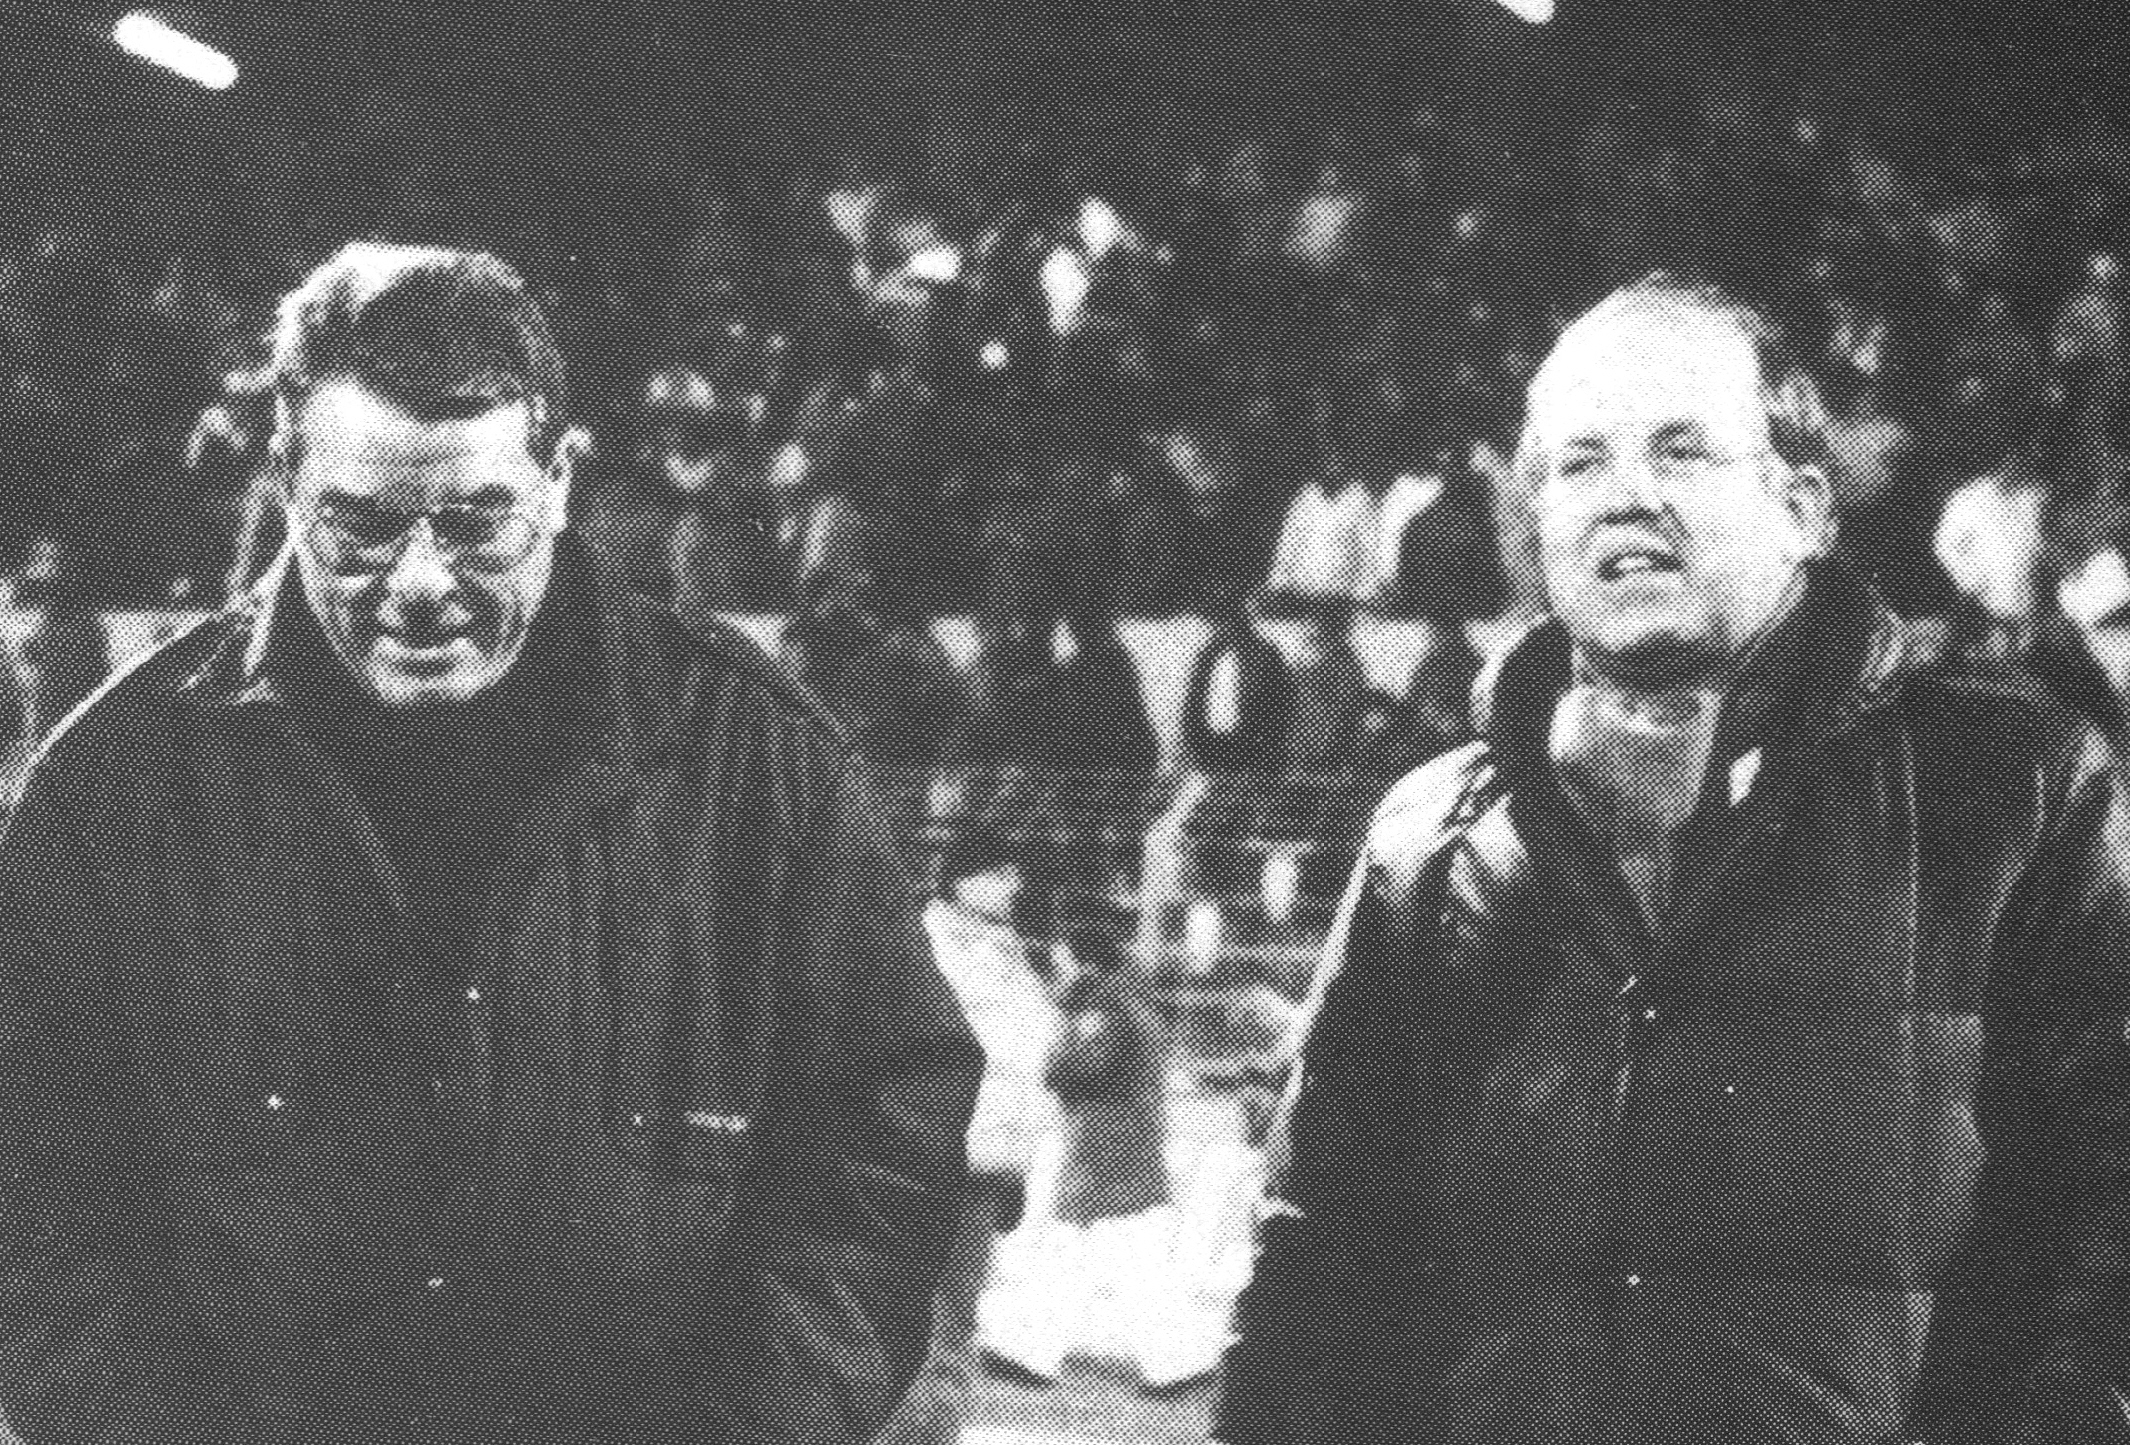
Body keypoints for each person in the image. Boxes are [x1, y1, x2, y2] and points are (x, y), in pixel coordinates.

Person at [0, 242, 980, 1445]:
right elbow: (29, 1193)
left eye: (476, 522)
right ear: (287, 482)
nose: (420, 581)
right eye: (360, 526)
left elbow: (882, 1141)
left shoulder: (761, 771)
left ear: (558, 481)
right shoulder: (112, 795)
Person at [1218, 274, 2130, 1445]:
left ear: (1804, 508)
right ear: (1536, 525)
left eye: (1681, 450)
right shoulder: (1428, 841)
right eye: (1579, 462)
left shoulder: (2011, 790)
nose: (1626, 495)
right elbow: (1320, 1267)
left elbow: (2107, 1225)